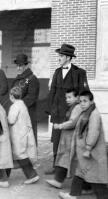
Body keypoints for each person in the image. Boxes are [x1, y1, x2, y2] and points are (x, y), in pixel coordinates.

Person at [46, 44, 89, 175]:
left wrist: (82, 110)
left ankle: (72, 169)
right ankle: (56, 166)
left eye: (60, 56)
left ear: (68, 57)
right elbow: (52, 91)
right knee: (57, 139)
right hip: (58, 112)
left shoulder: (79, 72)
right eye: (58, 55)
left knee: (71, 140)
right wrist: (50, 109)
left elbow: (85, 92)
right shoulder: (57, 71)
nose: (58, 58)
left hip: (72, 113)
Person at [59, 90, 108, 199]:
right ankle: (73, 194)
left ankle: (103, 196)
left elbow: (93, 132)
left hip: (91, 153)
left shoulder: (93, 115)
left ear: (91, 101)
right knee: (80, 172)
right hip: (84, 152)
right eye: (80, 101)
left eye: (85, 101)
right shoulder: (86, 112)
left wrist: (88, 148)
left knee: (95, 177)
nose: (82, 103)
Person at [46, 89, 82, 189]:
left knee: (70, 161)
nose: (67, 99)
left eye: (70, 97)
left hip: (72, 140)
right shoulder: (73, 107)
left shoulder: (77, 108)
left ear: (77, 97)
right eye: (66, 97)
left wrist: (60, 126)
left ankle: (86, 187)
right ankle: (58, 181)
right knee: (66, 160)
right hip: (68, 140)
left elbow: (72, 122)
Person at [7, 86, 39, 184]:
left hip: (18, 134)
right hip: (24, 132)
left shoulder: (15, 106)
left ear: (11, 96)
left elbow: (11, 120)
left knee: (20, 155)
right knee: (17, 154)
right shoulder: (22, 104)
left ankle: (32, 175)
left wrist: (5, 118)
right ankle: (4, 175)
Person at [11, 54, 39, 144]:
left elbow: (31, 98)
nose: (18, 68)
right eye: (17, 66)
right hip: (17, 112)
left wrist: (18, 106)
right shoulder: (18, 78)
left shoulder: (32, 79)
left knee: (28, 139)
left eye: (21, 66)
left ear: (26, 66)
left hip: (27, 113)